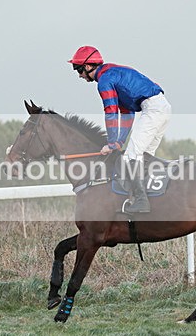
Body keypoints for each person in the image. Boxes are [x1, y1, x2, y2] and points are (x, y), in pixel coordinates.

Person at [68, 45, 172, 213]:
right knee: (144, 158)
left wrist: (110, 143)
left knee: (132, 156)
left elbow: (110, 111)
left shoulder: (104, 81)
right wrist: (118, 142)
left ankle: (141, 202)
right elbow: (126, 113)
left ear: (87, 66)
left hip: (153, 108)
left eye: (78, 70)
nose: (79, 75)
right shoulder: (111, 73)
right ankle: (149, 198)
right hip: (161, 107)